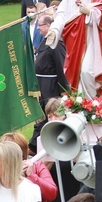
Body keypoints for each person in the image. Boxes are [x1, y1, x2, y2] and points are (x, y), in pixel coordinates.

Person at [45, 0, 102, 98]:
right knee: (76, 72)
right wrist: (54, 29)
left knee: (87, 71)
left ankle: (92, 102)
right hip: (73, 38)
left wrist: (90, 12)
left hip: (90, 38)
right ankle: (79, 100)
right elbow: (61, 13)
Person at [30, 15, 69, 154]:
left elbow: (61, 65)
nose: (38, 28)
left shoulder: (56, 43)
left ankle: (35, 145)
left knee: (47, 112)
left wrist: (64, 88)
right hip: (42, 83)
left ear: (48, 26)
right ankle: (36, 144)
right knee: (41, 113)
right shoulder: (46, 40)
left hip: (50, 85)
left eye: (40, 25)